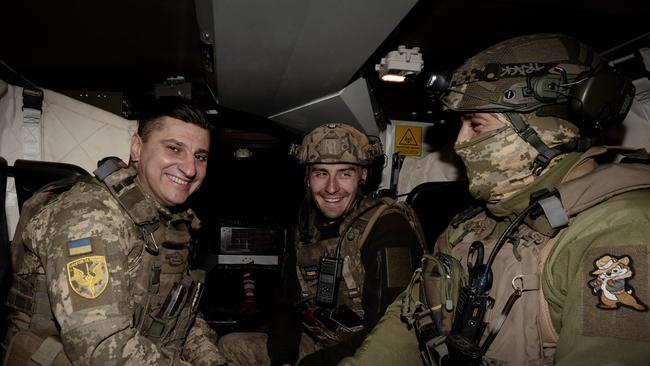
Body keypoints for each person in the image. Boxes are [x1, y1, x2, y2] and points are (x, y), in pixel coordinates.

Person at [340, 33, 650, 366]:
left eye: (476, 125)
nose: (460, 142)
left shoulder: (621, 231)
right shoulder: (475, 225)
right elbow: (409, 320)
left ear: (540, 131)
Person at [2, 97, 227, 365]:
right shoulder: (90, 216)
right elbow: (101, 349)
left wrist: (210, 360)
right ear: (136, 148)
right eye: (174, 149)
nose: (190, 169)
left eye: (199, 156)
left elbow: (180, 313)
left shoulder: (168, 220)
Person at [218, 123, 426, 366]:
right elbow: (286, 307)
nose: (331, 187)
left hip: (372, 353)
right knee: (229, 346)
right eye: (321, 173)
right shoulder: (307, 229)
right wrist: (283, 359)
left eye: (345, 173)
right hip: (323, 343)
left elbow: (387, 333)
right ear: (307, 178)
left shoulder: (389, 229)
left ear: (364, 175)